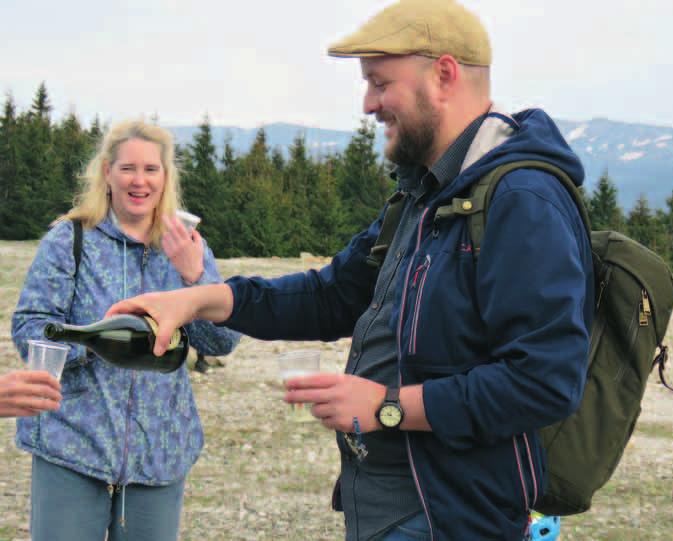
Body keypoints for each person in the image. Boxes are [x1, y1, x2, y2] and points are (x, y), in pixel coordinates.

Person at [107, 1, 595, 539]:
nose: (368, 105)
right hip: (386, 505)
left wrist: (387, 407)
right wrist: (198, 299)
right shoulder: (424, 195)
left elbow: (543, 381)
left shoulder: (521, 199)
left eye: (380, 83)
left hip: (452, 516)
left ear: (444, 74)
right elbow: (332, 295)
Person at [12, 120, 241, 541]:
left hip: (160, 452)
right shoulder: (71, 239)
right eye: (127, 168)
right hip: (71, 446)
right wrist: (93, 344)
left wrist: (195, 279)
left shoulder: (189, 245)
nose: (139, 181)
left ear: (165, 177)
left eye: (151, 169)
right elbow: (29, 328)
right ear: (107, 173)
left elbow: (221, 341)